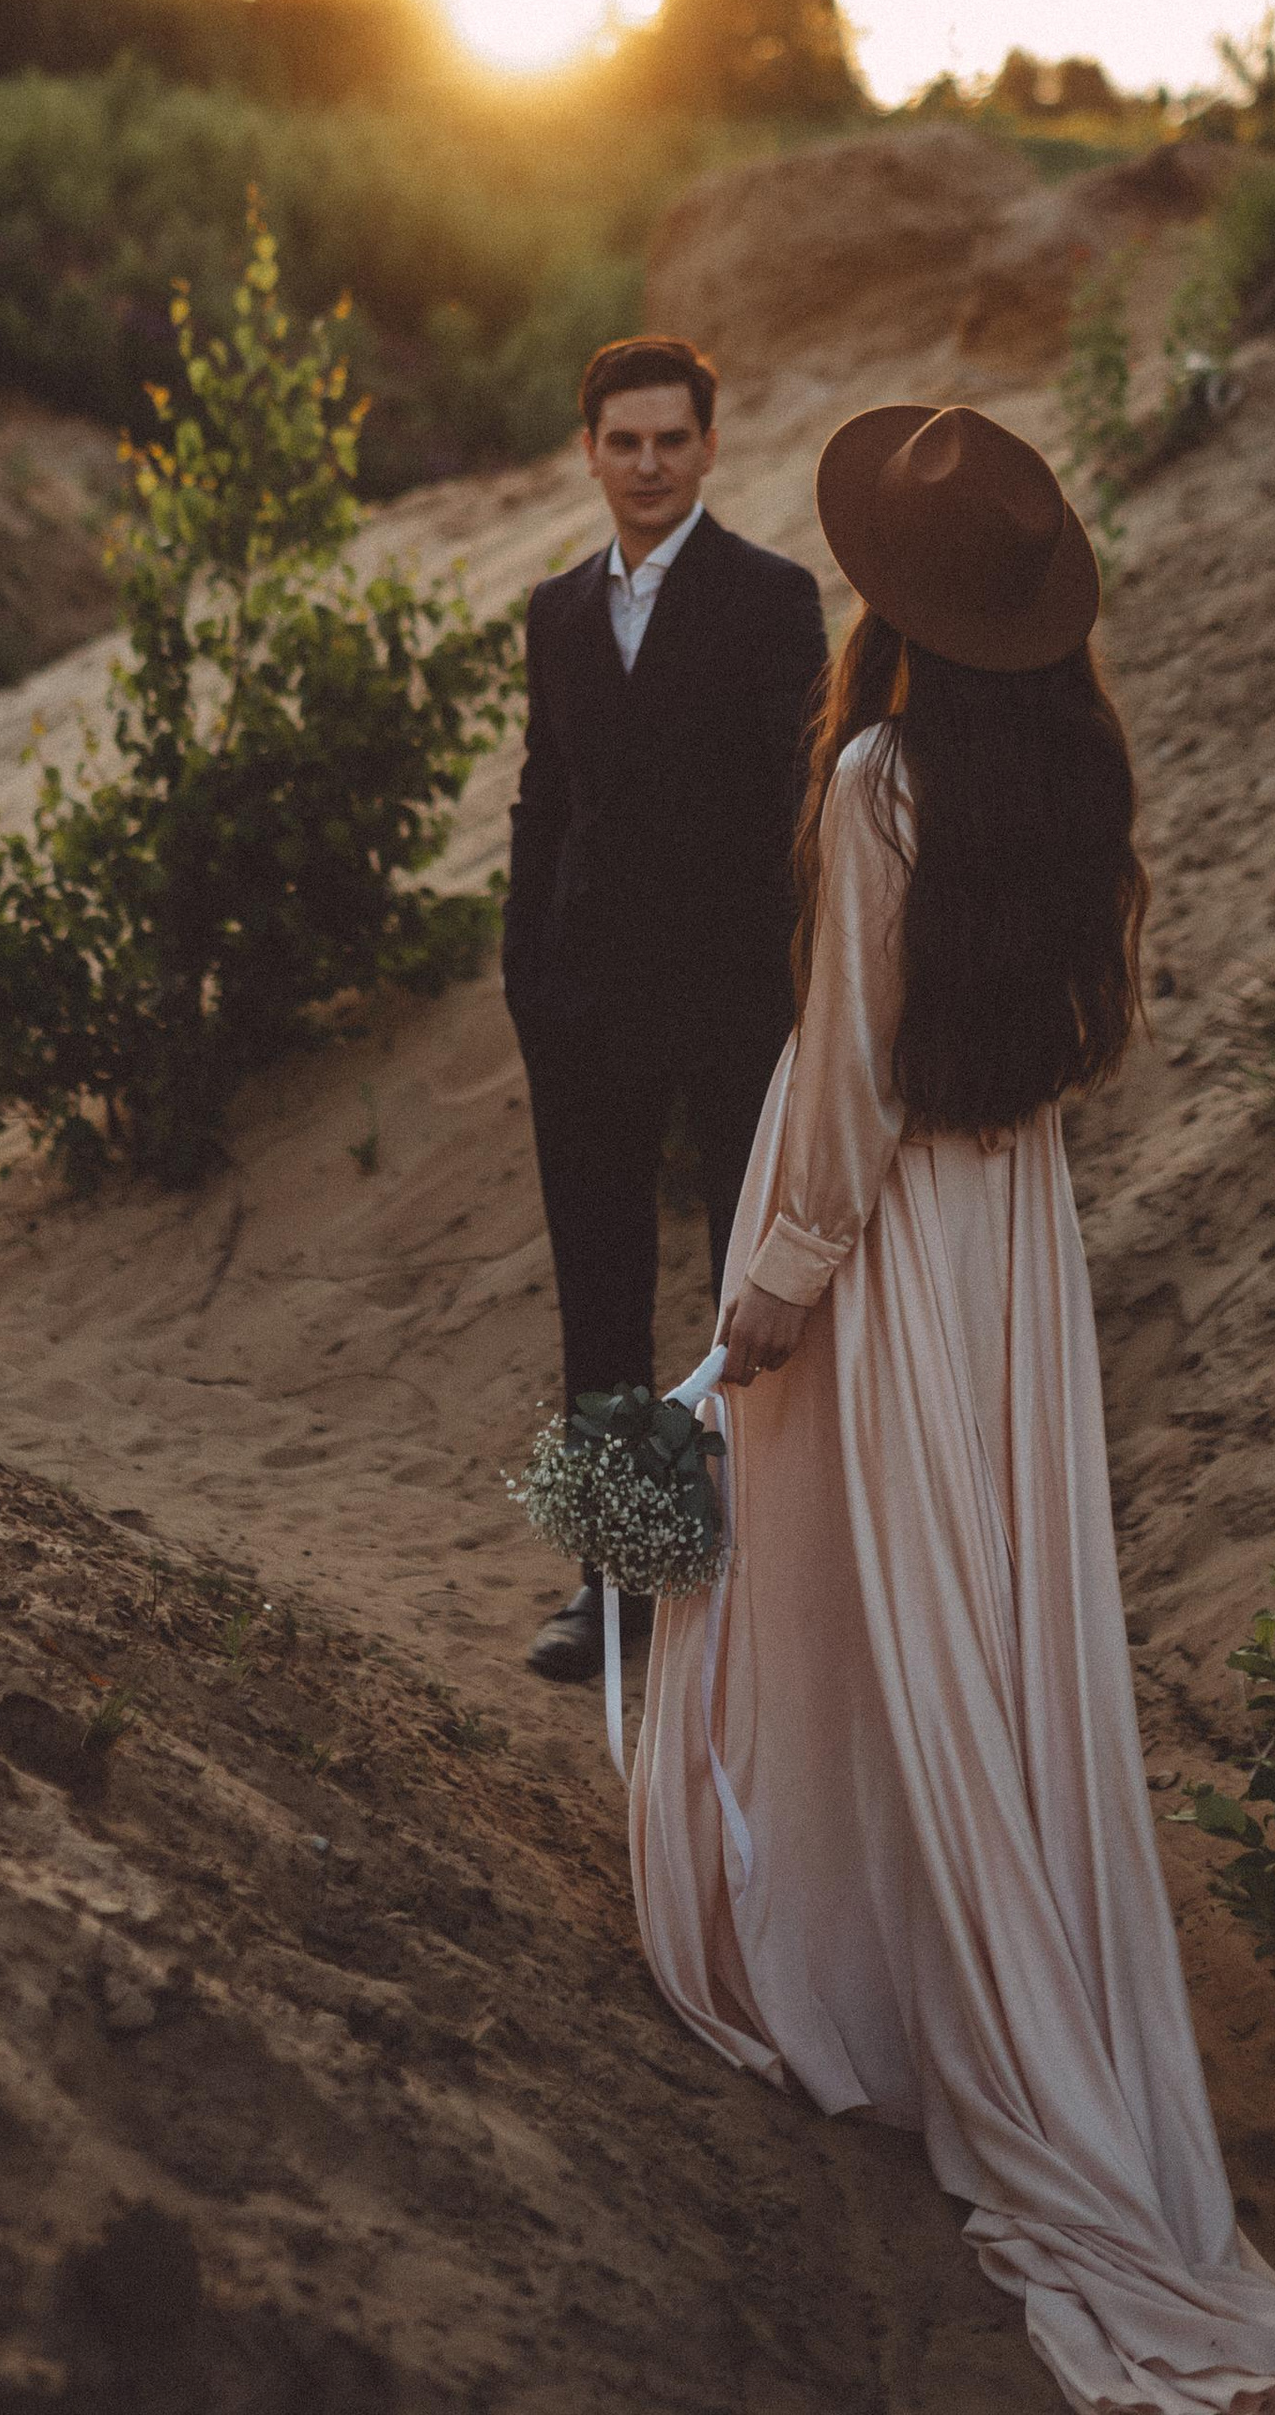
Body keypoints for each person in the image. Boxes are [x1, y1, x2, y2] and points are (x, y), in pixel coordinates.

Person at [630, 402, 1275, 2415]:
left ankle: (891, 1983)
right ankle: (964, 1951)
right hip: (1002, 1225)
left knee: (877, 1594)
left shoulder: (877, 766)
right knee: (971, 1601)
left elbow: (852, 1068)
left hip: (876, 1227)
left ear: (888, 595)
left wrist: (775, 1285)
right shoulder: (1067, 757)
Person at [504, 332, 829, 1686]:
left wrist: (795, 981)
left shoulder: (772, 597)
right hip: (582, 1001)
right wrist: (527, 968)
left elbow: (800, 804)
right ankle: (617, 1585)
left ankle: (749, 1584)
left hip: (732, 996)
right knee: (600, 1292)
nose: (646, 463)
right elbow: (544, 798)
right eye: (621, 440)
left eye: (670, 440)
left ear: (709, 447)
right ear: (587, 450)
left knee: (734, 1296)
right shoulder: (558, 607)